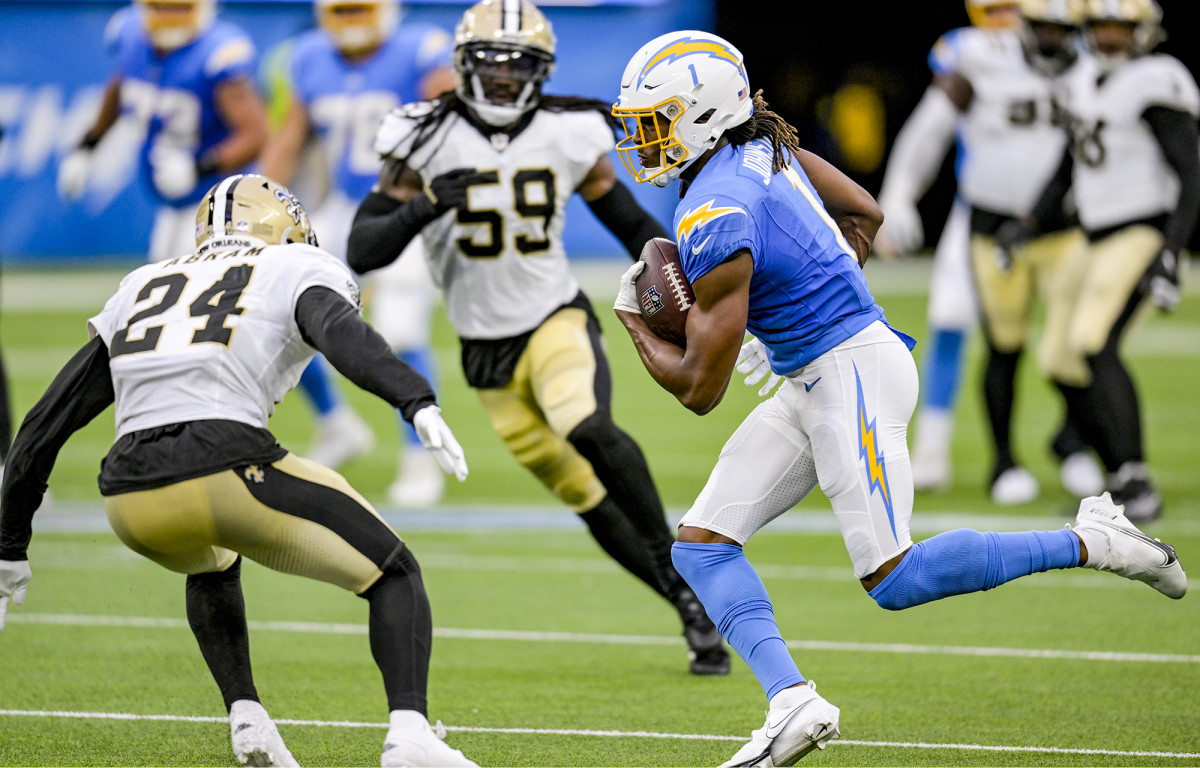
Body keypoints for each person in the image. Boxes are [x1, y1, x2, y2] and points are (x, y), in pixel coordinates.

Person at [610, 29, 1187, 767]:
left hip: (848, 373)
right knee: (702, 545)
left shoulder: (713, 212)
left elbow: (699, 388)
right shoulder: (761, 147)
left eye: (654, 124)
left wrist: (633, 318)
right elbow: (865, 213)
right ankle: (793, 701)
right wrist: (797, 300)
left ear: (699, 116)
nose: (643, 143)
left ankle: (1099, 540)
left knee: (895, 577)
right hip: (824, 367)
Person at [0, 174, 476, 768]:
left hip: (129, 499)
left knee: (214, 559)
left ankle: (247, 719)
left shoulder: (143, 283)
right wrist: (414, 398)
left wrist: (9, 543)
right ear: (284, 227)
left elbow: (46, 423)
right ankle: (410, 735)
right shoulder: (293, 266)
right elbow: (340, 334)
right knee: (394, 571)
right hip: (224, 462)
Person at [347, 0, 730, 676]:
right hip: (482, 350)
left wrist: (692, 289)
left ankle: (690, 578)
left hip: (555, 316)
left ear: (540, 71)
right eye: (489, 66)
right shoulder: (422, 135)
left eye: (516, 67)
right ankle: (685, 602)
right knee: (586, 499)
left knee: (586, 426)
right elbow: (363, 247)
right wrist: (426, 204)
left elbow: (624, 217)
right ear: (463, 67)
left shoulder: (570, 129)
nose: (501, 80)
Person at [56, 0, 374, 475]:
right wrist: (89, 142)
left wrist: (201, 165)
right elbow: (123, 84)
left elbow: (256, 132)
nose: (168, 16)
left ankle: (205, 425)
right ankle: (331, 420)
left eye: (179, 6)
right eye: (160, 6)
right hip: (176, 207)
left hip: (223, 213)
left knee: (196, 318)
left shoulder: (220, 55)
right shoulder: (130, 34)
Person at [874, 0, 1102, 499]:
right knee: (955, 316)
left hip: (1065, 222)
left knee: (1081, 336)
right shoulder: (971, 54)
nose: (1006, 21)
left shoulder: (1086, 54)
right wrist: (899, 193)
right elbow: (930, 128)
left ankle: (1077, 443)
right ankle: (933, 448)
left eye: (1013, 10)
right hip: (983, 215)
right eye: (997, 10)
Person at [998, 0, 1199, 520]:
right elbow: (1069, 166)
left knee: (1093, 342)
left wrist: (1172, 251)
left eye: (1120, 28)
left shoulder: (1157, 79)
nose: (1109, 39)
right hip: (1093, 236)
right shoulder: (1085, 82)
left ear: (1143, 32)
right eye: (1101, 28)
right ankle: (1117, 475)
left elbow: (1190, 175)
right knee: (1058, 360)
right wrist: (1030, 222)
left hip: (1141, 230)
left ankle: (1137, 477)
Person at [260, 0, 457, 505]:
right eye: (341, 11)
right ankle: (336, 425)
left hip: (409, 204)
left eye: (360, 9)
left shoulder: (421, 50)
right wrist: (255, 197)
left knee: (400, 329)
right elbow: (291, 137)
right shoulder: (307, 56)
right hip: (344, 207)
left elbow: (453, 122)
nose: (351, 21)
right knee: (278, 311)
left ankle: (420, 455)